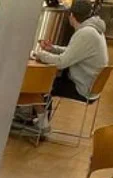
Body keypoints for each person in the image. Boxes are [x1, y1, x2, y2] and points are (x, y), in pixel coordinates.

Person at [33, 0, 107, 131]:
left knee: (41, 83)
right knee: (49, 80)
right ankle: (39, 118)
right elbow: (73, 52)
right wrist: (52, 49)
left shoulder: (86, 33)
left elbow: (61, 63)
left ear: (72, 16)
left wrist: (39, 54)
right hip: (89, 83)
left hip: (83, 87)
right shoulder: (93, 30)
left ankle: (42, 124)